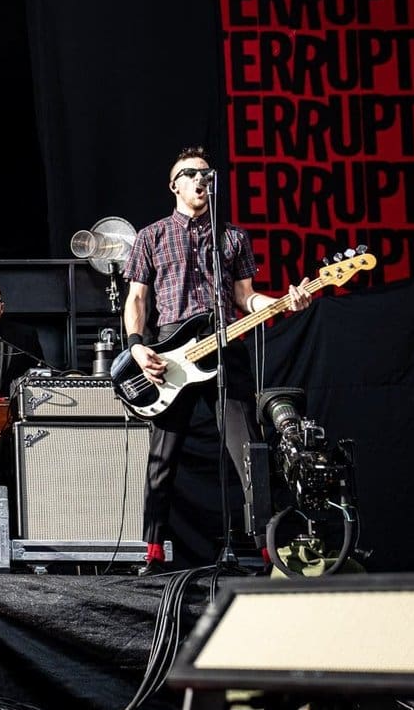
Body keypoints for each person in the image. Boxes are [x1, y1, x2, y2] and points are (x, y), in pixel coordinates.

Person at [123, 146, 310, 574]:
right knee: (162, 459)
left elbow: (245, 297)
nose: (201, 179)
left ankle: (270, 553)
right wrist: (137, 344)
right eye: (190, 173)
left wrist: (282, 302)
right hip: (172, 350)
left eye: (207, 174)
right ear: (174, 185)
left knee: (250, 454)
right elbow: (137, 298)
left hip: (226, 345)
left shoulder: (232, 237)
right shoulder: (151, 236)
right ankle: (151, 553)